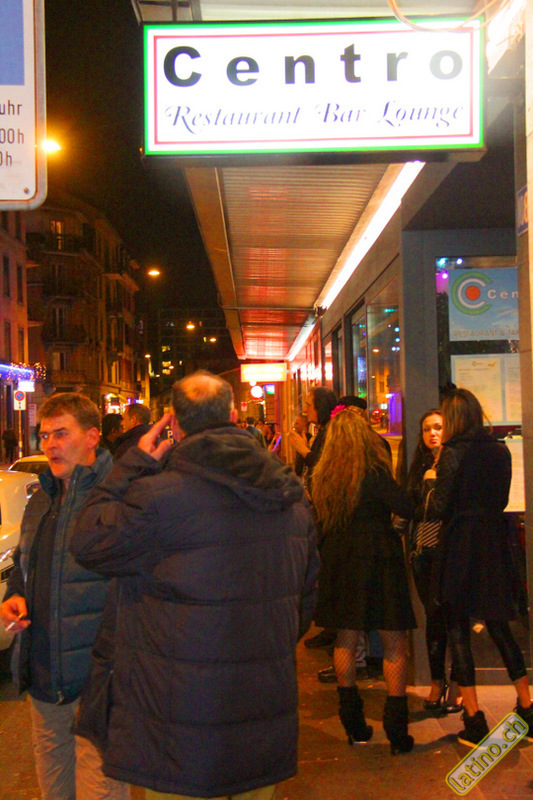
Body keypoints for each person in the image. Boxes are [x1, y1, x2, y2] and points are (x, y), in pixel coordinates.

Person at [70, 370, 320, 800]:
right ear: (234, 415)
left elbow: (87, 541)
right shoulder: (291, 498)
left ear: (174, 423)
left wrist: (133, 463)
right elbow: (304, 604)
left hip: (178, 733)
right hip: (260, 719)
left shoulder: (156, 499)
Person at [0, 392, 130, 800]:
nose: (50, 445)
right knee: (54, 791)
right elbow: (24, 566)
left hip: (99, 683)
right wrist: (15, 596)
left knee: (101, 792)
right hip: (45, 680)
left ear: (92, 437)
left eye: (61, 434)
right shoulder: (41, 499)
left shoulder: (118, 497)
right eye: (44, 435)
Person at [426, 388, 533, 746]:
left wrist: (430, 483)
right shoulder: (500, 450)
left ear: (453, 419)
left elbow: (440, 507)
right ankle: (527, 706)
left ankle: (474, 719)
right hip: (493, 543)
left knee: (457, 628)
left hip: (460, 545)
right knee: (500, 625)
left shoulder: (452, 454)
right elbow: (501, 499)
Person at [311, 405, 416, 754]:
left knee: (345, 636)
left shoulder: (325, 475)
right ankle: (397, 729)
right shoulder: (374, 471)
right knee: (393, 639)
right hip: (378, 556)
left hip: (339, 558)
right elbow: (406, 505)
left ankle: (353, 724)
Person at [404, 409, 462, 713]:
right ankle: (437, 681)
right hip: (422, 552)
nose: (433, 433)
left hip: (448, 551)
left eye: (438, 427)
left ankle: (459, 682)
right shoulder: (420, 465)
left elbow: (444, 507)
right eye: (427, 429)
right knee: (433, 618)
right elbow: (411, 506)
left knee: (454, 618)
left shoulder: (454, 463)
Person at [288, 387, 338, 650]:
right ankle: (329, 626)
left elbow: (323, 466)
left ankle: (333, 629)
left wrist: (304, 450)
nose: (305, 410)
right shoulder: (320, 431)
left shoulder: (329, 433)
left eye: (309, 404)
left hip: (326, 511)